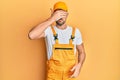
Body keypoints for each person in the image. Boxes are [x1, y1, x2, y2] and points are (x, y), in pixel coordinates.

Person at [28, 1, 86, 80]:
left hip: (69, 75)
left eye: (63, 13)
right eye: (57, 14)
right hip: (53, 76)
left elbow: (82, 52)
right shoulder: (48, 30)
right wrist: (51, 19)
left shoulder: (75, 32)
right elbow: (31, 35)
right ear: (53, 14)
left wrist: (79, 65)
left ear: (67, 14)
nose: (60, 16)